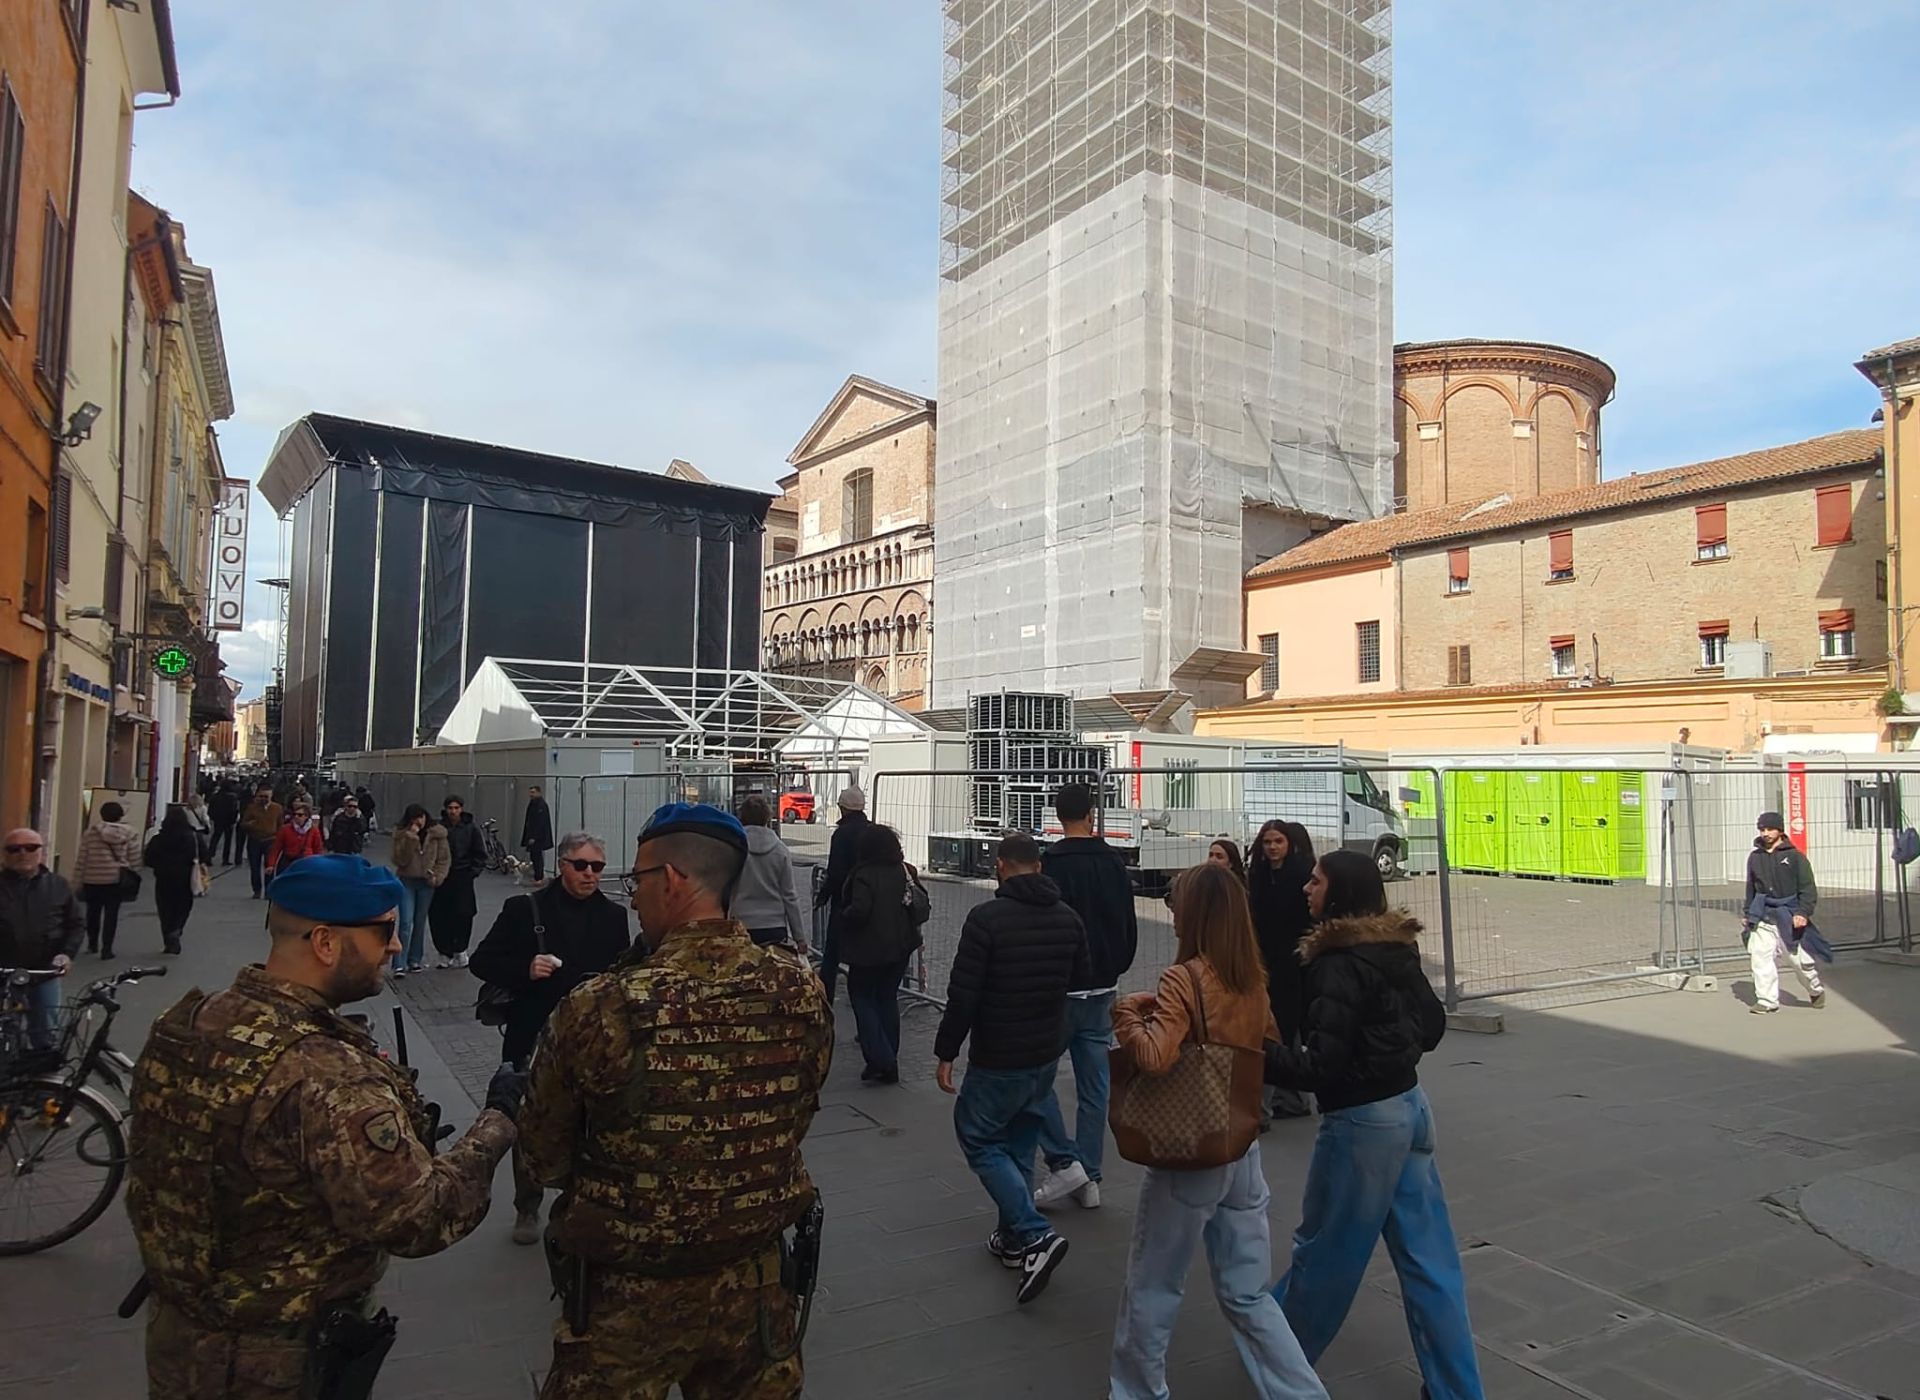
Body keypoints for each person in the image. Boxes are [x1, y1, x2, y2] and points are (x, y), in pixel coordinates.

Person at [126, 854, 524, 1400]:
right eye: (386, 930)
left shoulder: (187, 1022)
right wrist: (497, 1124)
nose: (396, 945)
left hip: (180, 1340)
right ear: (326, 942)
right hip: (277, 1361)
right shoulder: (325, 1073)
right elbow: (417, 1218)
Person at [518, 803, 832, 1398]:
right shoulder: (800, 991)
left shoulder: (603, 1005)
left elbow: (544, 1159)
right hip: (757, 1291)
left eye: (637, 881)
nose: (632, 897)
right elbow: (797, 1115)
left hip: (626, 1306)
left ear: (671, 880)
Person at [1264, 849, 1481, 1400]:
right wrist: (1390, 1047)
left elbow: (1320, 1067)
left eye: (1316, 881)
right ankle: (1457, 1390)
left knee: (1324, 1256)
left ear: (1338, 894)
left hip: (1363, 1125)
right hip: (1411, 1109)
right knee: (1431, 1263)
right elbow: (1430, 1027)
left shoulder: (1334, 963)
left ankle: (1275, 1361)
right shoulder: (1395, 948)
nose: (1306, 888)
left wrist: (1256, 1052)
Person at [1109, 863, 1329, 1400]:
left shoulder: (1185, 977)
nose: (1170, 908)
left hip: (1191, 1151)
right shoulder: (1250, 975)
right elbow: (1265, 1043)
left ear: (1196, 914)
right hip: (1241, 1145)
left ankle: (1136, 1392)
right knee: (1248, 1293)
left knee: (1154, 1281)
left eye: (1176, 900)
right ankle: (1301, 1394)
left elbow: (1157, 1057)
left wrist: (1128, 1017)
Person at [934, 832, 1089, 1305]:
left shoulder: (985, 920)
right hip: (1043, 1053)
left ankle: (1034, 1231)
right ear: (1039, 868)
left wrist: (946, 1051)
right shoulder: (1068, 918)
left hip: (999, 1053)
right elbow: (1081, 979)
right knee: (1020, 1144)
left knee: (979, 1136)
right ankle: (1012, 1239)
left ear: (1000, 866)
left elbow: (964, 994)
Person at [469, 830, 631, 1246]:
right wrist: (526, 968)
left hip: (592, 1039)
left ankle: (579, 1200)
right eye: (582, 866)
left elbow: (625, 975)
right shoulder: (525, 908)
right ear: (562, 865)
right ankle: (528, 1204)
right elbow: (482, 960)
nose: (591, 874)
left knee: (588, 1122)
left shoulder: (613, 917)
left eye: (597, 866)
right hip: (533, 1033)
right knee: (529, 1120)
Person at [1032, 781, 1139, 1212]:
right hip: (1103, 987)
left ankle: (1063, 1160)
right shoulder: (1112, 862)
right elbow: (1126, 922)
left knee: (1035, 1079)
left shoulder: (1050, 865)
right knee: (1095, 1087)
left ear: (1058, 818)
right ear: (1091, 815)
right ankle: (1090, 1175)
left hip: (1060, 989)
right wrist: (1115, 963)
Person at [840, 822, 923, 1084]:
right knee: (887, 999)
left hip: (868, 949)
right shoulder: (904, 870)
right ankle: (888, 1058)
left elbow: (860, 910)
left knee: (862, 998)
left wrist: (845, 915)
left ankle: (881, 1059)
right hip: (900, 947)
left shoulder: (864, 874)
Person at [1248, 820, 1317, 1122]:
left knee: (1282, 1029)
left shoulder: (1300, 876)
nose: (1273, 847)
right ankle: (1293, 1097)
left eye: (1278, 841)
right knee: (1279, 1028)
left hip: (1293, 964)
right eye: (1267, 842)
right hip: (1266, 961)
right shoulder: (1260, 876)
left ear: (1288, 844)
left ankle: (1280, 1101)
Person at [0, 828, 82, 1048]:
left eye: (31, 847)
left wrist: (66, 954)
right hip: (4, 974)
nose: (22, 853)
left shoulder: (58, 885)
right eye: (14, 849)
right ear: (4, 854)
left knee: (45, 1034)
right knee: (6, 1035)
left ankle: (42, 1080)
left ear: (41, 852)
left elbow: (75, 925)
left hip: (44, 972)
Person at [1744, 810, 1827, 1015]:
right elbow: (1751, 887)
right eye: (1762, 829)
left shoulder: (1795, 857)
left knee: (1799, 961)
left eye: (1770, 829)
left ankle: (1815, 989)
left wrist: (1802, 912)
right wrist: (1748, 913)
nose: (1765, 833)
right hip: (1763, 913)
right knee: (1760, 955)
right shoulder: (1755, 857)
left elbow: (1808, 888)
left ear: (1780, 830)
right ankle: (1766, 1000)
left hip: (1789, 914)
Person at [813, 786, 869, 1002]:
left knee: (832, 955)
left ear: (843, 809)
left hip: (843, 901)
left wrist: (823, 895)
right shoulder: (872, 831)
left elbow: (835, 871)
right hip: (866, 901)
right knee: (859, 958)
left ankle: (825, 1001)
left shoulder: (842, 834)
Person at [732, 795, 809, 949]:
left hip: (740, 924)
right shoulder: (780, 850)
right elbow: (789, 896)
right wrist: (799, 937)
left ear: (741, 817)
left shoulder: (734, 849)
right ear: (767, 818)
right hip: (774, 926)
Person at [388, 804, 449, 977]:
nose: (419, 822)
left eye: (421, 817)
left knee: (420, 922)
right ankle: (399, 963)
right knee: (406, 922)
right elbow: (399, 859)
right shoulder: (402, 834)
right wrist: (410, 838)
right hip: (407, 880)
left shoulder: (437, 834)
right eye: (414, 819)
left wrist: (437, 876)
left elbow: (444, 858)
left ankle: (415, 959)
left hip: (427, 882)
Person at [74, 802, 138, 959]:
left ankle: (92, 943)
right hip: (115, 879)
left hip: (92, 878)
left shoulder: (91, 833)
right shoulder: (128, 833)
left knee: (92, 912)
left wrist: (77, 879)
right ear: (120, 816)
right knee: (112, 914)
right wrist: (133, 870)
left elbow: (82, 857)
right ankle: (107, 948)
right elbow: (134, 857)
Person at [431, 795, 484, 968]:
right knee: (440, 914)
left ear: (461, 809)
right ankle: (444, 952)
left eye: (456, 808)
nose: (453, 811)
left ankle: (460, 949)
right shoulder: (438, 828)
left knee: (464, 913)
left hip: (463, 875)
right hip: (443, 877)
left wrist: (473, 872)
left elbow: (479, 852)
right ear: (445, 809)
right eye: (450, 808)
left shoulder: (471, 828)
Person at [145, 806, 203, 956]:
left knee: (165, 909)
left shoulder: (159, 838)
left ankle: (168, 937)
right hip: (185, 877)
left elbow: (148, 859)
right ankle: (177, 928)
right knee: (183, 906)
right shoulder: (192, 837)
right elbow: (204, 854)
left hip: (164, 877)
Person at [266, 797, 325, 889]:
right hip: (288, 862)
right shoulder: (285, 829)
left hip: (306, 862)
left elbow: (318, 849)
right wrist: (271, 865)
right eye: (295, 814)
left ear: (306, 816)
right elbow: (276, 848)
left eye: (300, 815)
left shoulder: (313, 830)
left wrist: (319, 866)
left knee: (303, 887)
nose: (296, 817)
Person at [239, 783, 284, 899]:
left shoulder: (277, 808)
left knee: (269, 867)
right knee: (254, 867)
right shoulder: (251, 807)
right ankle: (257, 890)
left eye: (266, 796)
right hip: (254, 840)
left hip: (271, 840)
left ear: (271, 796)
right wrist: (250, 824)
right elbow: (243, 824)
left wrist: (279, 839)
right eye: (261, 796)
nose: (263, 799)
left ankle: (268, 891)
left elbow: (280, 825)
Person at [521, 784, 555, 884]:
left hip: (538, 837)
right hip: (533, 835)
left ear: (539, 793)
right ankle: (537, 876)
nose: (531, 794)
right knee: (534, 856)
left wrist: (534, 837)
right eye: (530, 792)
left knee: (537, 856)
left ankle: (539, 878)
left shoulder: (541, 805)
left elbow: (540, 823)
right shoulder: (533, 803)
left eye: (533, 792)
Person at [208, 781, 242, 867]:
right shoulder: (233, 797)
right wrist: (233, 820)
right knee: (228, 841)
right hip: (228, 821)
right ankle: (225, 859)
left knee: (215, 838)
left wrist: (213, 817)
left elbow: (210, 809)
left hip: (218, 820)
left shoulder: (215, 796)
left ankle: (209, 856)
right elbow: (235, 810)